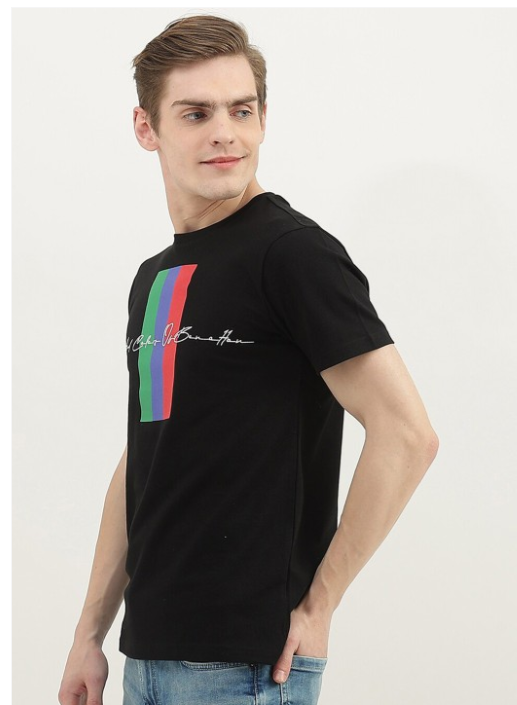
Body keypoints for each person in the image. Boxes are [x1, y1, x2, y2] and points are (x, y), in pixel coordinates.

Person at [58, 13, 439, 705]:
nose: (225, 133)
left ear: (263, 118)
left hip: (250, 666)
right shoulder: (156, 277)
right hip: (146, 658)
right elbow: (144, 455)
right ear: (146, 127)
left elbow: (407, 434)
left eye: (241, 110)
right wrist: (90, 633)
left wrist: (318, 606)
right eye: (195, 113)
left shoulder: (292, 254)